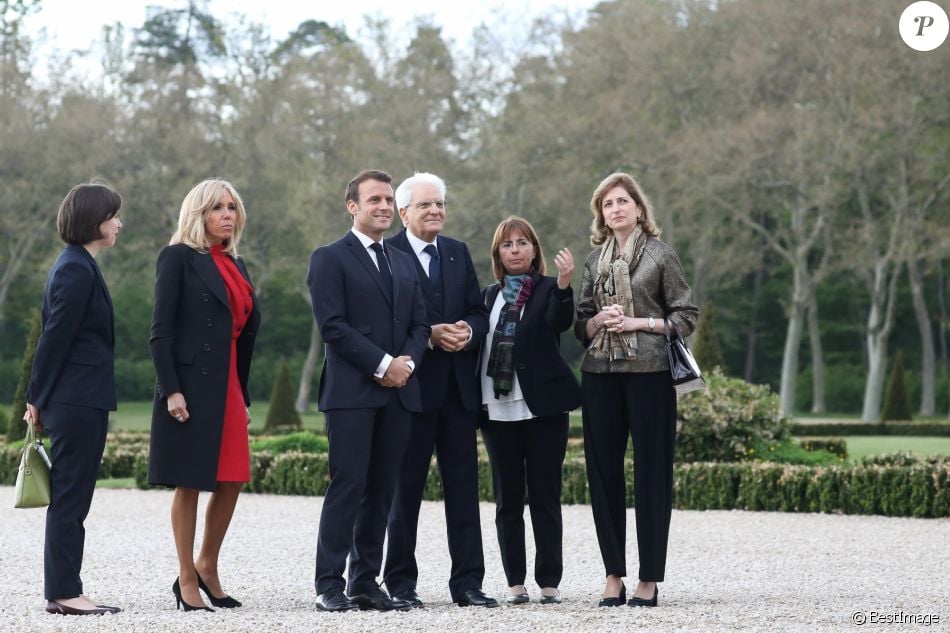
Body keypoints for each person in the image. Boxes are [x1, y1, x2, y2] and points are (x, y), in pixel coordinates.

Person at [574, 172, 698, 608]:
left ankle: (649, 578)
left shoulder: (662, 256)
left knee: (652, 474)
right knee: (603, 476)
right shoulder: (593, 263)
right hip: (600, 374)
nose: (616, 209)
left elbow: (685, 316)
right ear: (602, 215)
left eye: (623, 201)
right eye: (608, 205)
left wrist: (637, 323)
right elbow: (581, 324)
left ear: (639, 209)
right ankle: (613, 575)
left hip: (650, 375)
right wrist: (597, 323)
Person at [308, 169, 430, 613]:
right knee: (349, 485)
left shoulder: (402, 260)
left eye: (387, 199)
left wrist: (406, 365)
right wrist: (382, 364)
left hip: (399, 391)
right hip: (352, 393)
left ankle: (364, 583)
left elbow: (419, 323)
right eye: (374, 199)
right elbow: (333, 327)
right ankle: (328, 584)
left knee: (382, 490)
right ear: (353, 206)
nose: (382, 206)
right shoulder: (329, 258)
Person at [383, 173, 497, 609]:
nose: (435, 211)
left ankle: (468, 583)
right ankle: (400, 584)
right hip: (410, 392)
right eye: (426, 205)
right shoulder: (386, 254)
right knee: (404, 491)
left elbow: (477, 309)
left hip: (457, 395)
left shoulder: (457, 252)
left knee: (464, 492)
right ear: (404, 211)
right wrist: (428, 335)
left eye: (440, 204)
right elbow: (384, 322)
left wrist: (469, 329)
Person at [147, 179, 261, 612]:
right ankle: (186, 577)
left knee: (232, 478)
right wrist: (171, 390)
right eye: (217, 208)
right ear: (198, 214)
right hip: (190, 387)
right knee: (191, 480)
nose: (227, 214)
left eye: (232, 207)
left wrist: (243, 395)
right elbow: (160, 333)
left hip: (229, 384)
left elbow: (243, 331)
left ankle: (208, 565)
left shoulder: (237, 262)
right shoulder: (176, 258)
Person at [24, 184, 124, 616]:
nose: (119, 223)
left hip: (80, 398)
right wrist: (37, 398)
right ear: (94, 220)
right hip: (76, 400)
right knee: (70, 498)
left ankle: (67, 588)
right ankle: (64, 592)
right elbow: (53, 339)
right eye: (113, 216)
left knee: (73, 497)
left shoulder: (80, 264)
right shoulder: (75, 270)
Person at [478, 216, 581, 606]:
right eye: (508, 245)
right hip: (496, 409)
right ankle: (515, 581)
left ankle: (549, 580)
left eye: (523, 243)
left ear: (535, 250)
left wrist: (566, 284)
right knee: (507, 500)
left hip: (543, 410)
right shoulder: (488, 297)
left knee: (544, 495)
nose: (516, 250)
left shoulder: (550, 289)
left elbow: (561, 322)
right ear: (498, 255)